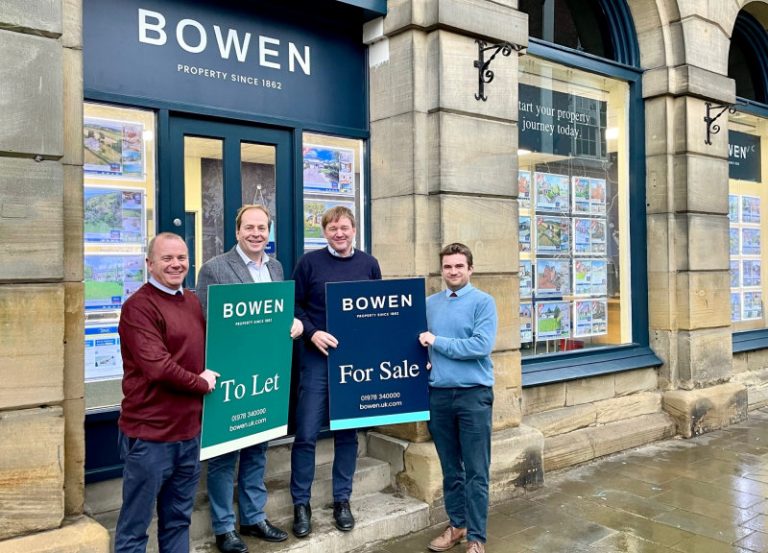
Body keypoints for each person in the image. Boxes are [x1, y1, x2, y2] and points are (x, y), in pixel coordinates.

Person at [196, 204, 303, 553]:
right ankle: (224, 527)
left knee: (258, 447)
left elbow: (277, 313)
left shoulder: (276, 267)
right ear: (237, 231)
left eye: (262, 228)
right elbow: (205, 322)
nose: (256, 234)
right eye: (250, 227)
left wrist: (292, 323)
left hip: (265, 372)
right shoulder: (214, 268)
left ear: (268, 232)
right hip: (231, 375)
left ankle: (254, 518)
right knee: (224, 454)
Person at [115, 232, 219, 553]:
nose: (176, 264)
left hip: (188, 435)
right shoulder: (138, 307)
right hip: (151, 437)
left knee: (177, 522)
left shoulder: (191, 300)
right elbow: (158, 368)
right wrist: (201, 383)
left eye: (182, 258)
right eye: (167, 258)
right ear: (150, 264)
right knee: (135, 528)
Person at [290, 205, 382, 537]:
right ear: (324, 232)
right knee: (306, 432)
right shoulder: (309, 263)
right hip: (317, 357)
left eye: (344, 228)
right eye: (332, 228)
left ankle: (342, 499)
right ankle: (301, 504)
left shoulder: (369, 264)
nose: (339, 233)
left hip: (353, 362)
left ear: (353, 230)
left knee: (347, 432)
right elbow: (294, 305)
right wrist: (312, 332)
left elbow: (378, 308)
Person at [418, 243, 498, 553]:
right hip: (439, 396)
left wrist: (436, 342)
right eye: (448, 267)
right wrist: (425, 359)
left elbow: (479, 346)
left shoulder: (483, 303)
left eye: (459, 266)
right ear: (442, 270)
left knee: (476, 471)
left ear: (470, 269)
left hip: (473, 396)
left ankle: (477, 538)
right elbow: (418, 342)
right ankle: (457, 525)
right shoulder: (429, 304)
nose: (453, 272)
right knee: (451, 469)